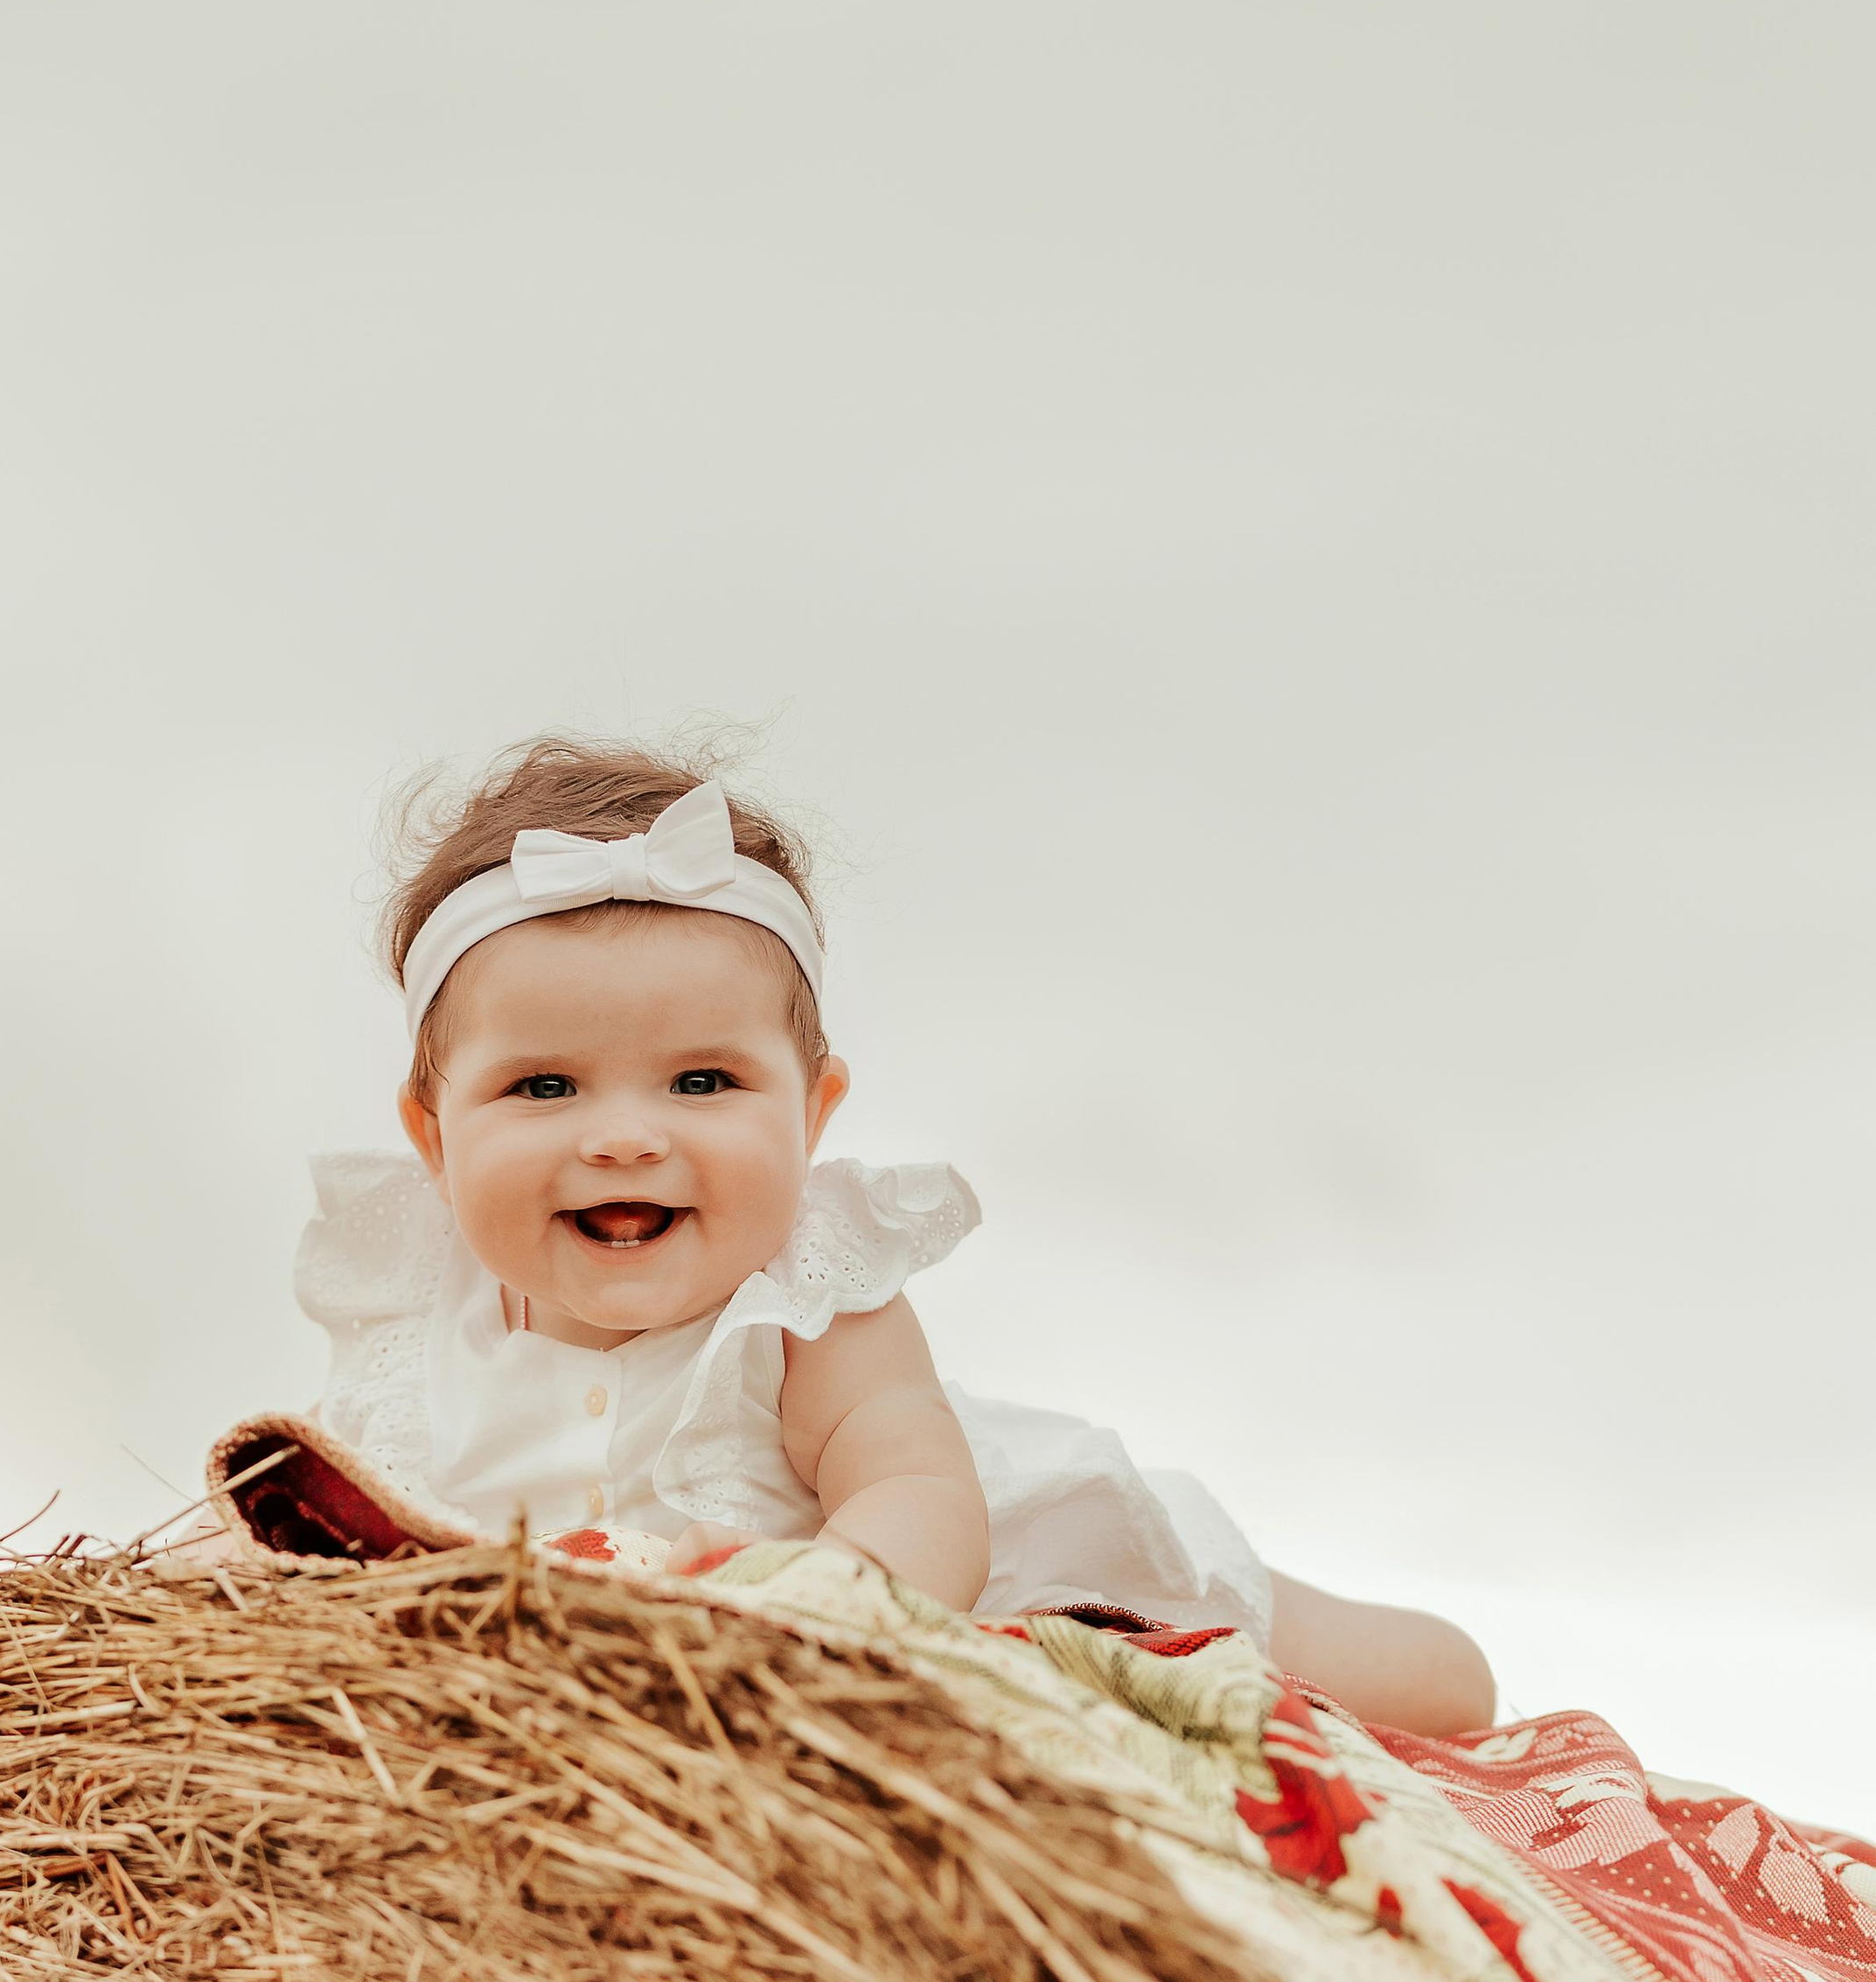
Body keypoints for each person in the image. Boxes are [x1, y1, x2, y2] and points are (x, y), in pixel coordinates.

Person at [294, 739, 1495, 1739]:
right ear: (433, 1137)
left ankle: (1430, 1664)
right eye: (545, 1088)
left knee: (1426, 1690)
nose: (623, 1138)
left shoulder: (815, 1299)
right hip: (630, 1672)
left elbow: (917, 1492)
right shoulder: (413, 1335)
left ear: (814, 1116)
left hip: (1016, 1573)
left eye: (702, 1081)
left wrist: (820, 1623)